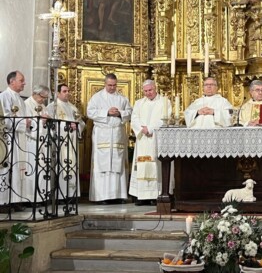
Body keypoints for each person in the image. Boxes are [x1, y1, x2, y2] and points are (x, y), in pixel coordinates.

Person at [87, 73, 132, 204]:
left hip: (117, 134)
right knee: (103, 165)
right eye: (109, 85)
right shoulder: (97, 97)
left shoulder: (122, 98)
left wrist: (120, 113)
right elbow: (90, 112)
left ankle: (118, 195)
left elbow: (129, 112)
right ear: (105, 84)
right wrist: (106, 112)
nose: (112, 88)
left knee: (118, 165)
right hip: (103, 134)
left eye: (114, 85)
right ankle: (102, 197)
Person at [129, 80, 171, 206]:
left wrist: (150, 128)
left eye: (150, 90)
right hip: (142, 138)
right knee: (141, 166)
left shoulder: (164, 102)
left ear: (155, 88)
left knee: (155, 164)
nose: (148, 93)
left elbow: (165, 118)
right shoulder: (139, 103)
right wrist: (142, 129)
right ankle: (142, 196)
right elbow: (134, 118)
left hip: (156, 138)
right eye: (146, 91)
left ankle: (155, 195)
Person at [46, 84, 86, 200]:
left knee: (72, 166)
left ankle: (71, 194)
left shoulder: (73, 107)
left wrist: (77, 126)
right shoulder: (52, 107)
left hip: (72, 141)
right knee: (61, 166)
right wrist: (68, 125)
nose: (67, 93)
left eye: (68, 91)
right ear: (58, 93)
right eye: (64, 91)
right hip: (60, 142)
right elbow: (51, 124)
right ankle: (60, 195)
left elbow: (81, 123)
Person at [0, 71, 30, 209]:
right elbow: (5, 118)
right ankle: (4, 201)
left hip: (20, 138)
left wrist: (28, 124)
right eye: (21, 80)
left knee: (19, 168)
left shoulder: (20, 99)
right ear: (12, 81)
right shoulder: (4, 96)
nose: (24, 83)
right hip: (9, 139)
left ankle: (16, 199)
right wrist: (24, 124)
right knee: (7, 168)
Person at [24, 84, 50, 203]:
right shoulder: (27, 104)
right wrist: (41, 122)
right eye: (42, 97)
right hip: (31, 142)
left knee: (43, 170)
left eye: (45, 97)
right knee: (32, 170)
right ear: (35, 93)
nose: (43, 100)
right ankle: (30, 198)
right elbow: (26, 124)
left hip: (42, 142)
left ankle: (42, 197)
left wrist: (46, 122)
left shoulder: (42, 106)